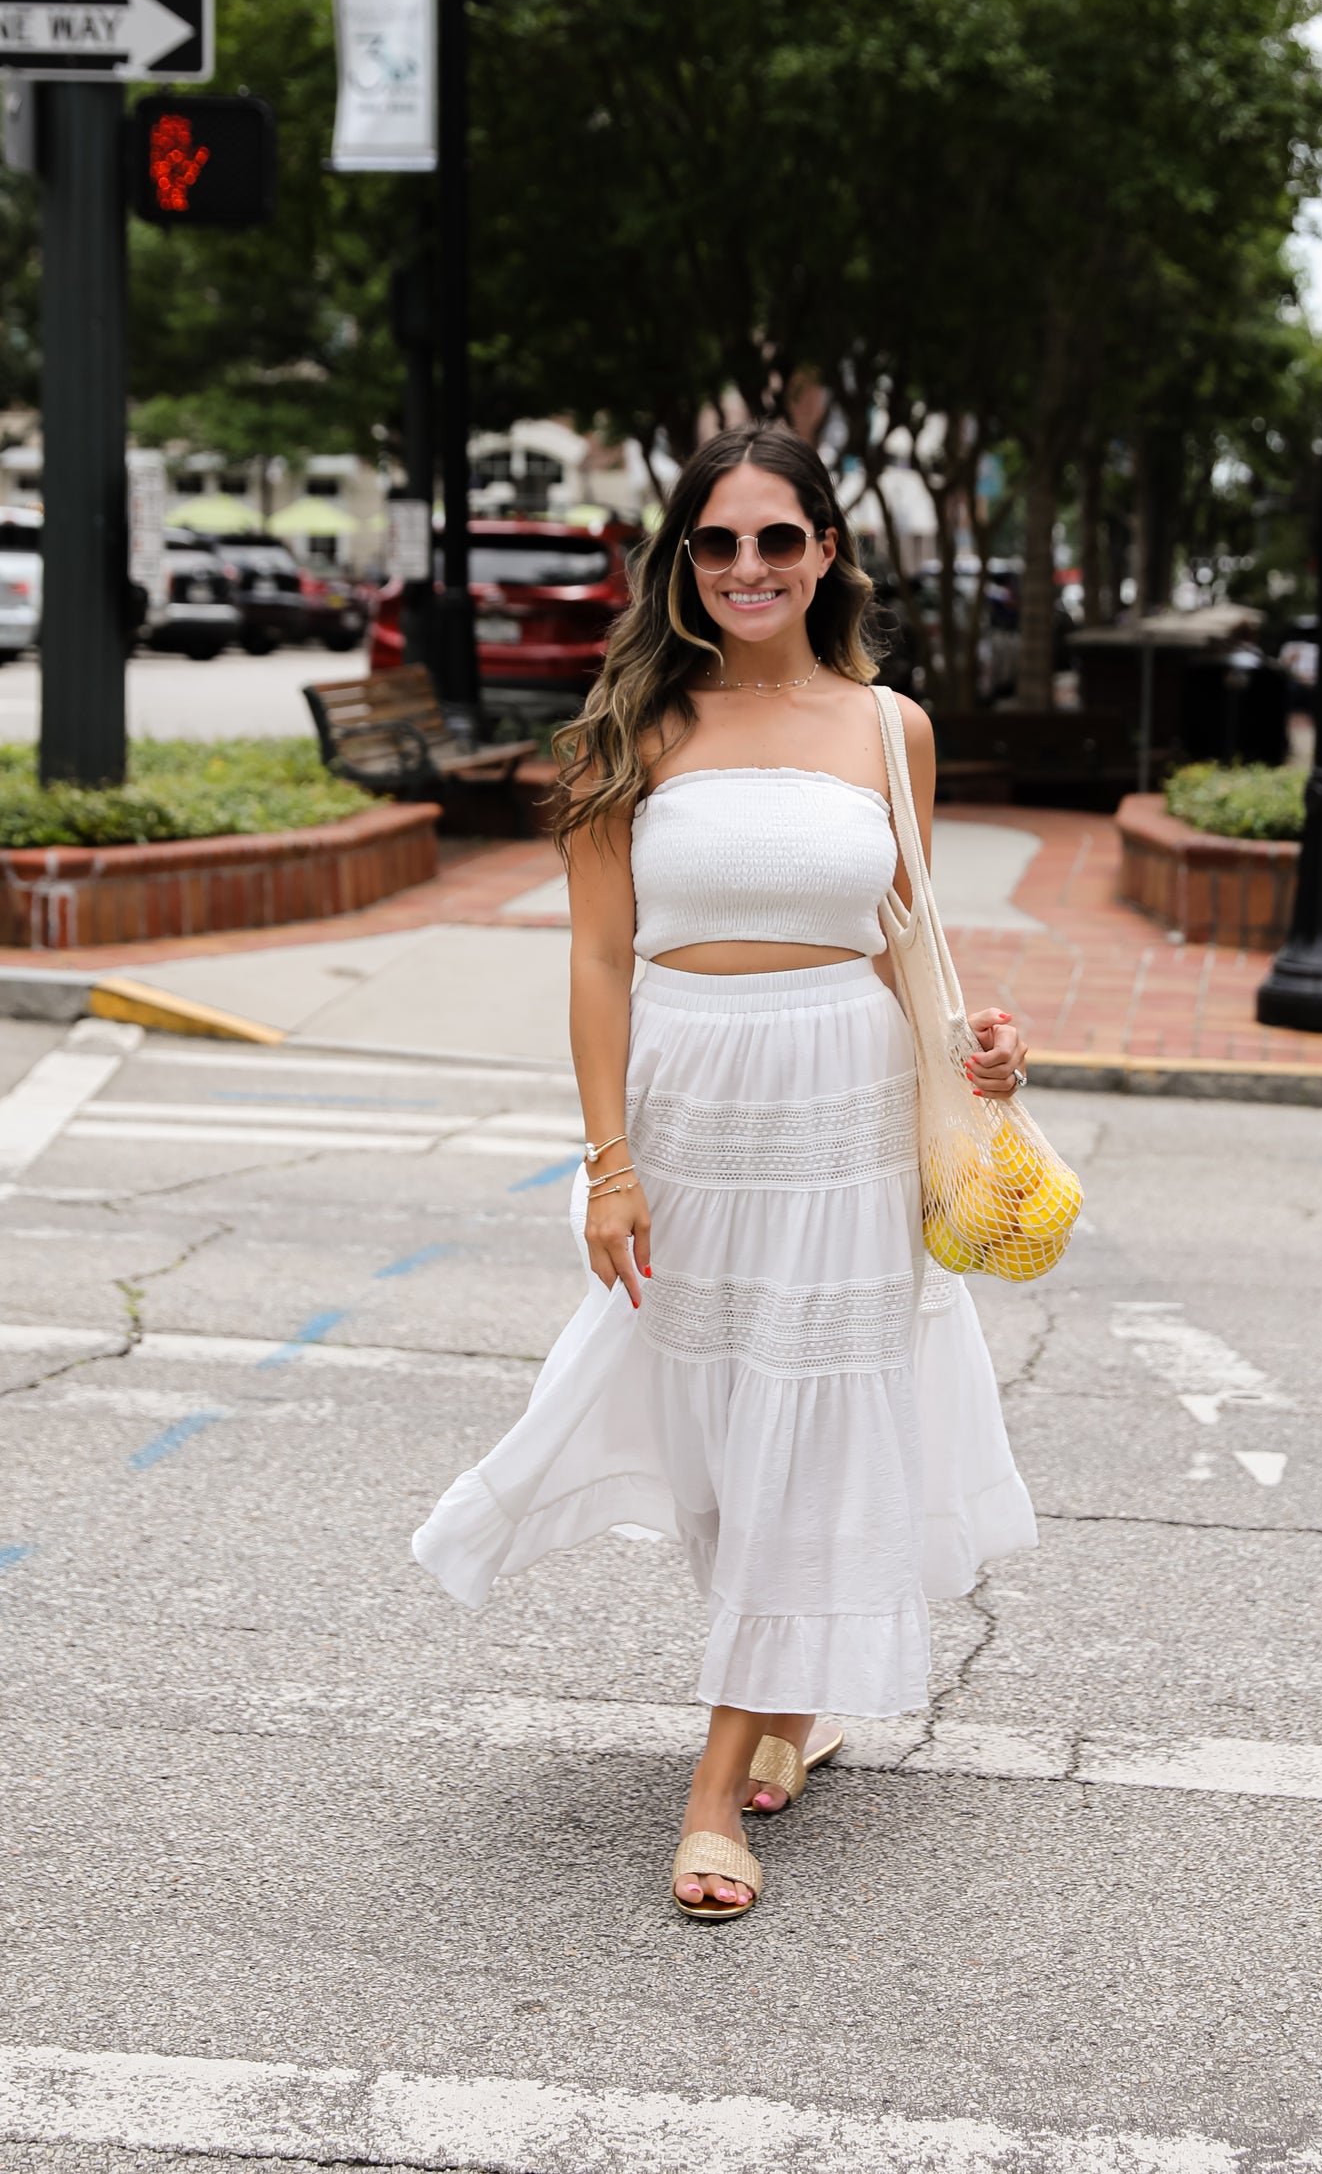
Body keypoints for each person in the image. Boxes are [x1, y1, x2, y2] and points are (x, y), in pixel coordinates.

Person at [413, 421, 1037, 1921]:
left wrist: (977, 1060)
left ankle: (715, 1788)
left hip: (845, 1111)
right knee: (708, 1444)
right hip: (687, 1110)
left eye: (777, 538)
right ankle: (785, 1694)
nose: (749, 566)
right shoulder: (631, 726)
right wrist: (609, 1159)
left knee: (801, 1437)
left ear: (827, 551)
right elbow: (599, 954)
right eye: (718, 540)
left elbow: (906, 935)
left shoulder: (893, 728)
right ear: (682, 561)